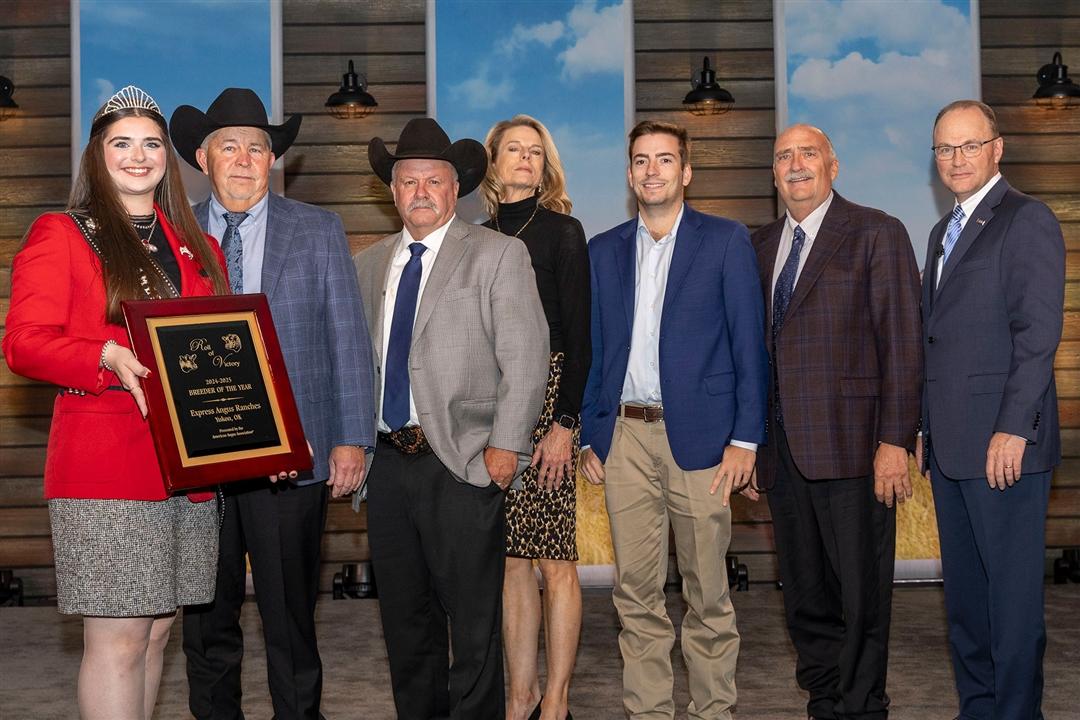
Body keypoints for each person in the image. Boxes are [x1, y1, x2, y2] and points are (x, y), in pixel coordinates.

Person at [2, 85, 229, 719]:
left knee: (159, 630)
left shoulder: (200, 248)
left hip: (190, 471)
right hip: (106, 468)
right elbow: (23, 343)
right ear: (97, 156)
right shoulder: (63, 234)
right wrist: (100, 356)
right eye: (121, 143)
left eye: (151, 143)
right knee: (119, 638)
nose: (138, 156)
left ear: (169, 157)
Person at [169, 88, 376, 720]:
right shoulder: (171, 234)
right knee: (206, 621)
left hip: (295, 454)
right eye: (228, 146)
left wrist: (352, 437)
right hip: (199, 461)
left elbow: (347, 334)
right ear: (203, 158)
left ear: (272, 161)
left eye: (256, 148)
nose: (242, 159)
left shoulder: (318, 229)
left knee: (290, 619)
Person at [354, 117, 549, 720]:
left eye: (432, 181)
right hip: (387, 466)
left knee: (473, 628)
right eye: (408, 181)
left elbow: (527, 354)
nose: (419, 192)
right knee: (404, 625)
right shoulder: (367, 264)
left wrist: (506, 447)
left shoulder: (497, 254)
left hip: (464, 464)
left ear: (454, 188)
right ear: (392, 191)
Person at [579, 120, 768, 720]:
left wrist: (745, 438)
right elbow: (595, 350)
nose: (652, 171)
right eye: (641, 160)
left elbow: (749, 347)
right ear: (630, 172)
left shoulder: (725, 240)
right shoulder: (603, 249)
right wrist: (593, 430)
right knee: (634, 591)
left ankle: (713, 711)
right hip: (625, 437)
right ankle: (650, 712)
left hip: (706, 439)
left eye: (665, 160)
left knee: (707, 590)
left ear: (686, 172)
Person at [750, 123, 923, 720]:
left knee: (861, 593)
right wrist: (751, 444)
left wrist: (894, 442)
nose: (796, 165)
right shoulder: (759, 245)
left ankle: (864, 704)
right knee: (803, 594)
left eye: (808, 154)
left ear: (833, 165)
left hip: (856, 451)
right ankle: (825, 700)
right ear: (774, 172)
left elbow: (902, 344)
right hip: (784, 454)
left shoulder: (877, 232)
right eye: (784, 157)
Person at [919, 100, 1064, 719]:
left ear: (997, 149)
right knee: (968, 606)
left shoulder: (1027, 220)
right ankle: (977, 710)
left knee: (1011, 607)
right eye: (945, 149)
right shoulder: (941, 231)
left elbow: (1037, 336)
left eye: (968, 146)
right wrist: (923, 424)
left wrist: (1012, 429)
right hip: (951, 448)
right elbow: (939, 340)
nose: (956, 159)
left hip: (1004, 449)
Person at [479, 114, 590, 720]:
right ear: (492, 162)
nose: (525, 159)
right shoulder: (472, 233)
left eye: (536, 153)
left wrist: (564, 424)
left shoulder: (562, 233)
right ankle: (519, 696)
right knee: (511, 560)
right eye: (514, 150)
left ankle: (557, 701)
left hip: (549, 404)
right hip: (493, 405)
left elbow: (579, 337)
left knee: (556, 559)